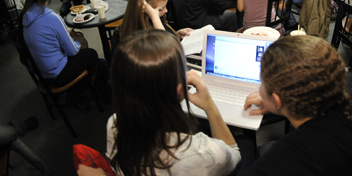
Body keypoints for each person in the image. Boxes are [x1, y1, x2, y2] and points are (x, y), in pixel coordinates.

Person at [76, 30, 241, 176]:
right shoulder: (203, 153)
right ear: (179, 90)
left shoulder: (114, 124)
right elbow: (234, 154)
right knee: (246, 146)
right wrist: (210, 107)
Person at [242, 36, 352, 176]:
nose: (260, 89)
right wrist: (277, 105)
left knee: (263, 149)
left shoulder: (289, 159)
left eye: (262, 83)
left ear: (277, 100)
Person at [22, 0, 98, 87]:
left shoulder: (26, 18)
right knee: (91, 54)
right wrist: (78, 44)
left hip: (43, 77)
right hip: (58, 76)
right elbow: (72, 51)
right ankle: (82, 92)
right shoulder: (51, 17)